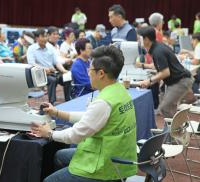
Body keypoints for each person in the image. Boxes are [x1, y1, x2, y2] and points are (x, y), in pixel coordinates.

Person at [30, 45, 137, 182]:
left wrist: (49, 133)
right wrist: (57, 112)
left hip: (105, 166)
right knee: (59, 155)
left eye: (90, 69)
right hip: (120, 158)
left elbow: (75, 135)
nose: (88, 73)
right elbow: (92, 119)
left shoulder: (103, 102)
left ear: (101, 73)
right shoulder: (120, 91)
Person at [138, 26, 193, 118]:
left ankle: (176, 131)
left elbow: (165, 72)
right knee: (168, 108)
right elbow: (161, 68)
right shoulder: (158, 47)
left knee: (165, 108)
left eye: (139, 38)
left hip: (180, 81)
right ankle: (172, 130)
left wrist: (149, 81)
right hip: (180, 80)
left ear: (146, 39)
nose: (138, 41)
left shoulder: (157, 51)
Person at [27, 29, 71, 104]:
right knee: (52, 80)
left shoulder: (50, 47)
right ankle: (52, 102)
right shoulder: (31, 48)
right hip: (39, 74)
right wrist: (44, 69)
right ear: (37, 38)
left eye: (46, 36)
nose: (45, 38)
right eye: (43, 36)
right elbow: (31, 64)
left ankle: (68, 100)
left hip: (53, 72)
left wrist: (64, 71)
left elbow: (56, 62)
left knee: (67, 78)